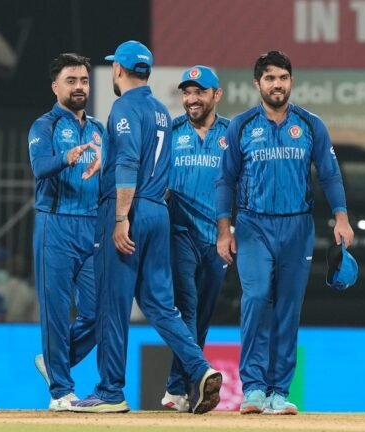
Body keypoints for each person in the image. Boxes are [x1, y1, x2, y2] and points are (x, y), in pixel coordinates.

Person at [69, 41, 222, 415]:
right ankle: (200, 367)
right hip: (158, 213)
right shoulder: (160, 111)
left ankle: (109, 391)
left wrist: (121, 218)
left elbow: (126, 164)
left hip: (130, 210)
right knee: (161, 305)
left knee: (113, 305)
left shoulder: (124, 106)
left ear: (118, 71)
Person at [215, 50, 354, 415]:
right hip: (253, 226)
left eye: (283, 77)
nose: (277, 84)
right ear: (257, 84)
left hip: (297, 227)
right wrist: (223, 230)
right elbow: (225, 181)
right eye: (270, 78)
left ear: (291, 81)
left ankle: (279, 391)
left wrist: (341, 217)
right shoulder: (241, 126)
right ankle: (254, 389)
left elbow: (330, 175)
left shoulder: (310, 125)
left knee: (288, 309)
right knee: (257, 298)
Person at [28, 53, 103, 411]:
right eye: (71, 80)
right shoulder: (44, 126)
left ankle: (57, 363)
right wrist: (67, 157)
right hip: (54, 224)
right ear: (55, 86)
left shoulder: (100, 130)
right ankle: (60, 392)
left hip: (93, 227)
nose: (79, 87)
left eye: (84, 80)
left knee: (99, 310)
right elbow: (40, 168)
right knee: (56, 312)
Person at [161, 65, 230, 412]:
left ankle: (183, 387)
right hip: (180, 233)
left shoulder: (233, 134)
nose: (191, 99)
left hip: (218, 238)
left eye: (199, 92)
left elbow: (245, 184)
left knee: (201, 315)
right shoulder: (172, 133)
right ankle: (179, 387)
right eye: (186, 93)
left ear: (216, 95)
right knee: (185, 306)